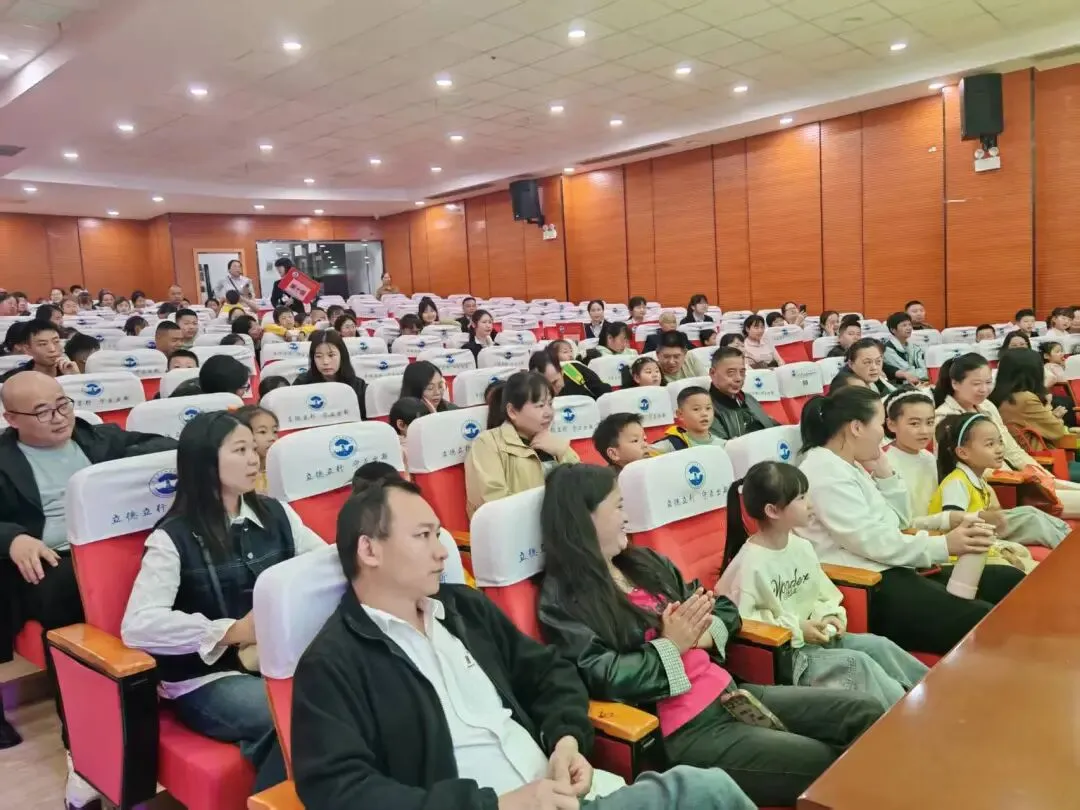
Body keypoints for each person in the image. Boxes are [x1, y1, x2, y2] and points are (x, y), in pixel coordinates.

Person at [291, 475, 756, 810]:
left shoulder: (462, 609)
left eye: (438, 534)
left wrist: (567, 740)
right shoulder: (333, 662)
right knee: (704, 791)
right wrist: (496, 805)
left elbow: (550, 672)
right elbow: (339, 790)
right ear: (369, 549)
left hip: (565, 794)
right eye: (423, 536)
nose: (442, 551)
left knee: (705, 789)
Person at [537, 464, 882, 808]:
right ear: (584, 518)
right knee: (831, 763)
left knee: (864, 712)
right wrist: (670, 645)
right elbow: (604, 675)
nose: (626, 517)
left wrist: (698, 636)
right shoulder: (564, 600)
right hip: (686, 728)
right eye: (618, 506)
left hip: (731, 693)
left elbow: (724, 608)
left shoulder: (645, 563)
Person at [121, 412, 324, 794]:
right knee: (296, 717)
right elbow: (138, 625)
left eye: (253, 449)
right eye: (240, 450)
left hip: (278, 658)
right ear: (205, 462)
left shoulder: (277, 513)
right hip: (205, 678)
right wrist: (232, 631)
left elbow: (323, 565)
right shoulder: (172, 538)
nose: (254, 458)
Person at [0, 372, 175, 802]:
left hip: (108, 548)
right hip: (48, 558)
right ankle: (82, 740)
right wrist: (13, 538)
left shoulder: (95, 437)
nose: (59, 418)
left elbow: (164, 446)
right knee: (70, 597)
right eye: (43, 412)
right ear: (12, 418)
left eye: (63, 404)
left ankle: (174, 687)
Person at [796, 386, 1022, 655]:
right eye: (880, 424)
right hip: (868, 584)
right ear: (856, 428)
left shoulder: (850, 464)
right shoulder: (825, 473)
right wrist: (945, 545)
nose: (883, 434)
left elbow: (900, 523)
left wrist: (886, 475)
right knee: (981, 619)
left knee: (1008, 580)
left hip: (894, 565)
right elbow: (872, 541)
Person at [719, 461, 928, 709]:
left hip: (818, 638)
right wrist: (798, 629)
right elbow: (742, 624)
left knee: (879, 645)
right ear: (773, 511)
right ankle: (910, 716)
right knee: (857, 663)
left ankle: (935, 693)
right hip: (790, 657)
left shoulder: (801, 546)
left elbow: (822, 593)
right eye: (801, 498)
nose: (810, 504)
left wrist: (829, 615)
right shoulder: (749, 565)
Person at [934, 352, 1080, 516]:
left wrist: (1040, 474)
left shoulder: (987, 406)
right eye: (976, 384)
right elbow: (957, 468)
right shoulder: (945, 418)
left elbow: (1012, 449)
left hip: (1019, 480)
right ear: (955, 383)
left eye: (988, 382)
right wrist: (1017, 477)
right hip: (997, 488)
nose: (984, 389)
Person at [929, 413, 1061, 565]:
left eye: (1000, 442)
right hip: (959, 559)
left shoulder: (977, 479)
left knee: (1030, 513)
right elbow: (956, 532)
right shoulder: (956, 483)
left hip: (978, 544)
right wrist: (998, 549)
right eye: (990, 444)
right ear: (963, 452)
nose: (999, 449)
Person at [464, 371, 578, 517]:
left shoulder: (552, 441)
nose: (549, 412)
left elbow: (584, 488)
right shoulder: (487, 444)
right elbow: (494, 505)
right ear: (512, 411)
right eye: (540, 405)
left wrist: (563, 452)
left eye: (550, 404)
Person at [991, 348, 1080, 479]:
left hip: (1022, 462)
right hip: (1042, 464)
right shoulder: (1025, 398)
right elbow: (1057, 431)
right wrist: (1050, 409)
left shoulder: (1000, 396)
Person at [707, 347, 778, 441]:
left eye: (742, 372)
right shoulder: (707, 409)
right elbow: (723, 446)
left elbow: (772, 428)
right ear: (712, 373)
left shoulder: (749, 399)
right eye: (731, 373)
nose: (739, 378)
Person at [293, 330, 368, 420]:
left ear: (342, 356)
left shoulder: (358, 386)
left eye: (331, 355)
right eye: (318, 356)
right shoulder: (302, 384)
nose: (325, 362)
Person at [651, 387, 726, 452]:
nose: (704, 414)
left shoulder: (724, 445)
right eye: (696, 409)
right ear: (680, 414)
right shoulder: (673, 444)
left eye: (708, 408)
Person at [0, 322, 79, 382]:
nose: (52, 349)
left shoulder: (71, 371)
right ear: (27, 349)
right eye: (43, 344)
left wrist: (75, 378)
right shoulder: (12, 380)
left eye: (56, 342)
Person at [530, 349, 610, 400]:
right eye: (546, 386)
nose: (552, 390)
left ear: (561, 371)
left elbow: (603, 393)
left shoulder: (573, 370)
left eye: (555, 382)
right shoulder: (531, 395)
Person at [235, 405, 278, 495]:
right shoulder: (238, 476)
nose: (272, 438)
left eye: (275, 431)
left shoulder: (280, 467)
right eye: (262, 432)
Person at [882, 312, 928, 384]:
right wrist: (924, 373)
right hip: (900, 385)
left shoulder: (915, 347)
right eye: (904, 325)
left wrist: (925, 373)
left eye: (910, 324)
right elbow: (906, 371)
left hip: (920, 382)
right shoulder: (888, 349)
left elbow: (924, 368)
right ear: (893, 330)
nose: (909, 328)